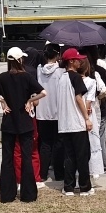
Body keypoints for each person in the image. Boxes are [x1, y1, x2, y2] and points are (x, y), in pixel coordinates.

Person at [0, 50, 46, 202]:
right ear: (20, 60)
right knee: (26, 157)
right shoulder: (26, 77)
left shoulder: (2, 77)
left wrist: (2, 101)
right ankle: (28, 194)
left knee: (7, 158)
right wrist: (29, 101)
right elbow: (43, 93)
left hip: (8, 121)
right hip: (25, 121)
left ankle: (7, 194)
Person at [57, 48, 94, 196]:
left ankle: (69, 187)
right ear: (71, 61)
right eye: (78, 59)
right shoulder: (76, 77)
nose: (80, 62)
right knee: (82, 156)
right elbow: (79, 99)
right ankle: (85, 187)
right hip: (77, 122)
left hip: (64, 124)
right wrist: (87, 118)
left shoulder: (62, 78)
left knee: (69, 157)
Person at [35, 46, 65, 182]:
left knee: (45, 143)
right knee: (58, 143)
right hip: (58, 111)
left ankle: (42, 173)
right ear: (58, 55)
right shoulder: (60, 71)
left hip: (42, 111)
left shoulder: (39, 69)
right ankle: (59, 173)